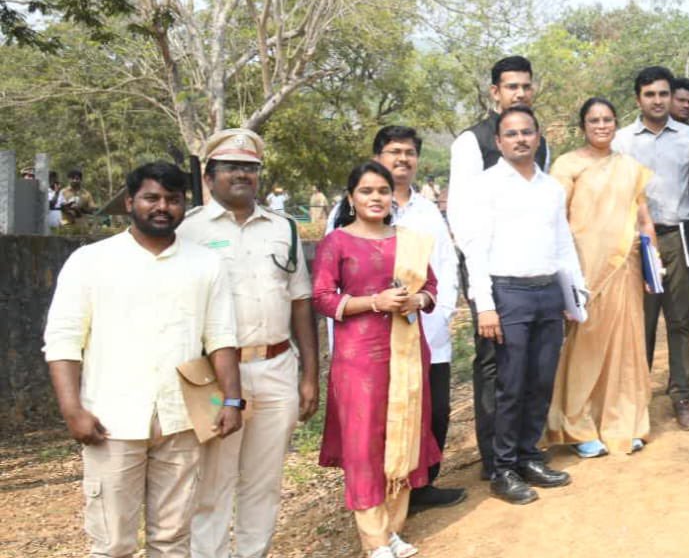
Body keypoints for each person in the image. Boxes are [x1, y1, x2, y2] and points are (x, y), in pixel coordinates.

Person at [43, 161, 241, 558]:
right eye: (152, 198)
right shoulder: (91, 261)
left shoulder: (205, 263)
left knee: (172, 541)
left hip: (181, 419)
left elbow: (221, 338)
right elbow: (63, 342)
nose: (162, 207)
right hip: (111, 421)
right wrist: (72, 410)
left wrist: (233, 400)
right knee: (112, 542)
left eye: (173, 199)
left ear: (184, 205)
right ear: (130, 202)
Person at [181, 129, 319, 558]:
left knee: (264, 483)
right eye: (231, 167)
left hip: (277, 367)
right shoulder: (189, 230)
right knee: (213, 484)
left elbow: (300, 303)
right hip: (217, 376)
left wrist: (310, 375)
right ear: (209, 176)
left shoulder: (284, 228)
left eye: (250, 168)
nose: (242, 175)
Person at [451, 106, 579, 504]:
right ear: (499, 141)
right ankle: (503, 468)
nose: (520, 139)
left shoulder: (551, 188)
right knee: (510, 385)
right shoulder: (485, 186)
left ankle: (528, 456)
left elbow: (563, 245)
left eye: (527, 132)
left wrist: (572, 296)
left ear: (538, 138)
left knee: (540, 381)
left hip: (548, 292)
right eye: (512, 133)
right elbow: (475, 249)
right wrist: (485, 305)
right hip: (508, 294)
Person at [311, 162, 440, 558]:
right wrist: (374, 302)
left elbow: (431, 287)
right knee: (364, 444)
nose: (376, 198)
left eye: (383, 191)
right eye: (366, 191)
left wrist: (417, 299)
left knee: (402, 434)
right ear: (351, 198)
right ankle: (374, 539)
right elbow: (322, 298)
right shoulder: (337, 242)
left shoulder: (409, 241)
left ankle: (391, 529)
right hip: (359, 360)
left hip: (406, 352)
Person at [447, 55, 549, 482]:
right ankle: (495, 460)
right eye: (511, 87)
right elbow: (461, 218)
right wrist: (482, 290)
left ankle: (525, 451)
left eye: (525, 86)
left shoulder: (537, 139)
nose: (519, 93)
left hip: (532, 272)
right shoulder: (471, 143)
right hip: (488, 271)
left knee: (531, 363)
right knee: (494, 362)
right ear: (495, 92)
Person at [544, 97, 655, 458]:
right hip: (584, 270)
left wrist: (652, 265)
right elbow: (555, 220)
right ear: (583, 126)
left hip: (625, 268)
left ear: (616, 124)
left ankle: (623, 421)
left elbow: (643, 220)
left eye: (608, 119)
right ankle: (577, 425)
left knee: (625, 347)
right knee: (585, 346)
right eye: (594, 120)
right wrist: (560, 276)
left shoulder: (629, 167)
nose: (602, 125)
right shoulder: (567, 165)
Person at [361, 127, 465, 510]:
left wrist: (442, 311)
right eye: (394, 151)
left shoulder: (427, 210)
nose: (402, 159)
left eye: (409, 152)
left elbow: (446, 266)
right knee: (385, 414)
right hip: (376, 334)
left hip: (429, 330)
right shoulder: (354, 207)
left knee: (434, 412)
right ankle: (384, 494)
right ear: (378, 157)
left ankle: (422, 487)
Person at [614, 66, 689, 431]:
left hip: (680, 237)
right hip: (638, 244)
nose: (657, 101)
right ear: (638, 99)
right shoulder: (621, 141)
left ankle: (681, 394)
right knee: (642, 323)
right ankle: (637, 399)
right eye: (649, 94)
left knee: (681, 320)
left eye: (663, 94)